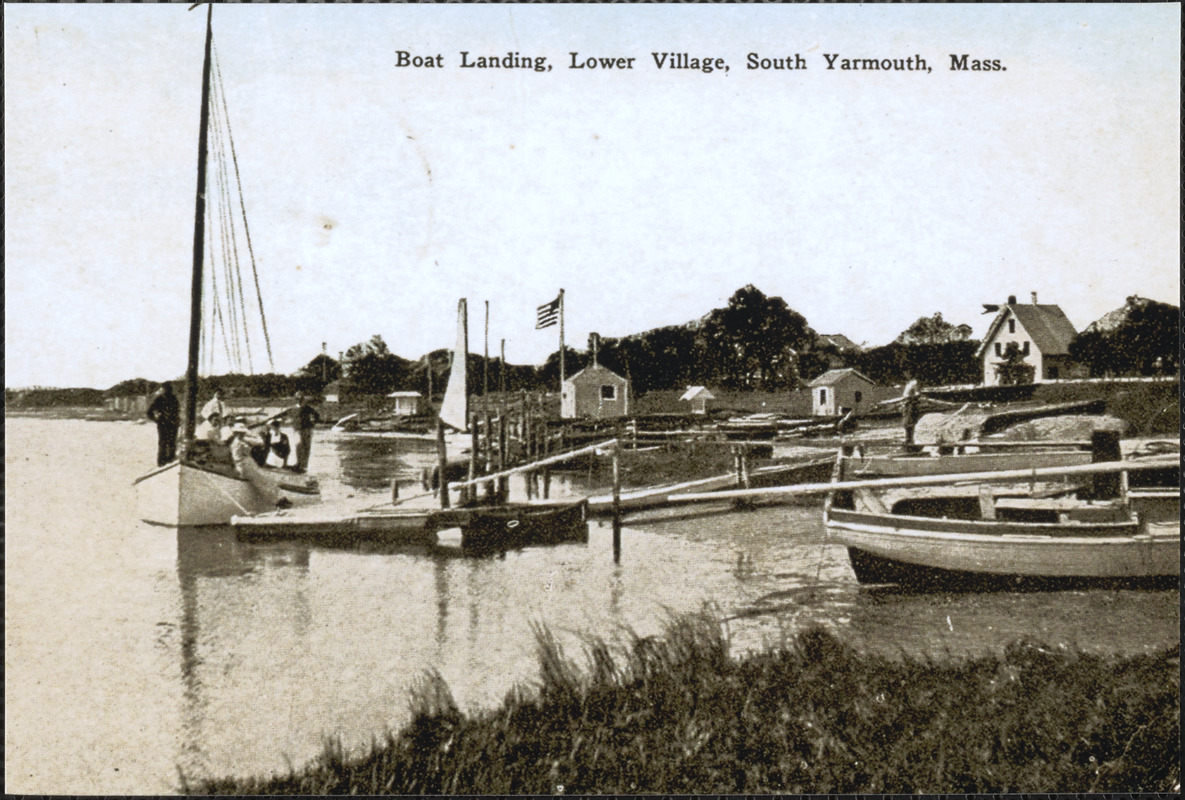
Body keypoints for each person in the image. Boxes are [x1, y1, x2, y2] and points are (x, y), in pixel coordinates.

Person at [227, 423, 281, 506]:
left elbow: (260, 442)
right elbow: (236, 458)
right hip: (243, 464)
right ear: (235, 433)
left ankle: (277, 497)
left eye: (242, 433)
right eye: (239, 433)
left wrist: (254, 435)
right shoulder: (235, 444)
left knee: (264, 479)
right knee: (259, 480)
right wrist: (241, 469)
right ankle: (274, 501)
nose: (241, 434)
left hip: (249, 462)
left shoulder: (244, 440)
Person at [146, 382, 180, 465]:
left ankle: (170, 460)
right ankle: (162, 462)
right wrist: (157, 419)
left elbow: (177, 411)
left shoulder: (174, 399)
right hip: (163, 424)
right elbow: (149, 412)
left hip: (172, 424)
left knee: (171, 443)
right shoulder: (160, 399)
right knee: (163, 444)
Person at [293, 393, 321, 473]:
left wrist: (313, 423)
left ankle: (303, 466)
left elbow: (317, 415)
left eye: (301, 399)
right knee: (299, 446)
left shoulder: (307, 408)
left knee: (306, 447)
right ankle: (299, 463)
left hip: (306, 429)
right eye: (298, 399)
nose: (300, 400)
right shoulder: (294, 408)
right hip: (298, 430)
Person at [901, 380, 921, 447]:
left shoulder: (914, 383)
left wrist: (910, 398)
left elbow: (917, 394)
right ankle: (907, 439)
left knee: (910, 422)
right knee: (906, 423)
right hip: (906, 404)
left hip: (911, 404)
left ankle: (910, 440)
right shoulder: (908, 383)